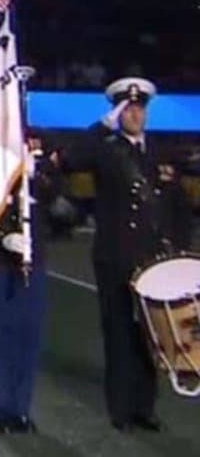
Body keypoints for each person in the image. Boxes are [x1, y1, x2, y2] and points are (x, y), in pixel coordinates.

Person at [67, 76, 191, 431]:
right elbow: (72, 159)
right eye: (128, 109)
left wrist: (180, 253)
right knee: (119, 332)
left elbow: (178, 207)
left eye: (140, 109)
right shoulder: (105, 150)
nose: (135, 115)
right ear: (118, 112)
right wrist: (100, 127)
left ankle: (144, 407)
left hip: (155, 261)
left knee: (152, 336)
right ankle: (121, 410)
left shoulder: (161, 155)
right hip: (116, 257)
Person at [0, 66, 59, 433]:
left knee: (28, 333)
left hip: (34, 253)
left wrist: (38, 174)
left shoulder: (40, 141)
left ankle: (21, 408)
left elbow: (56, 196)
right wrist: (2, 234)